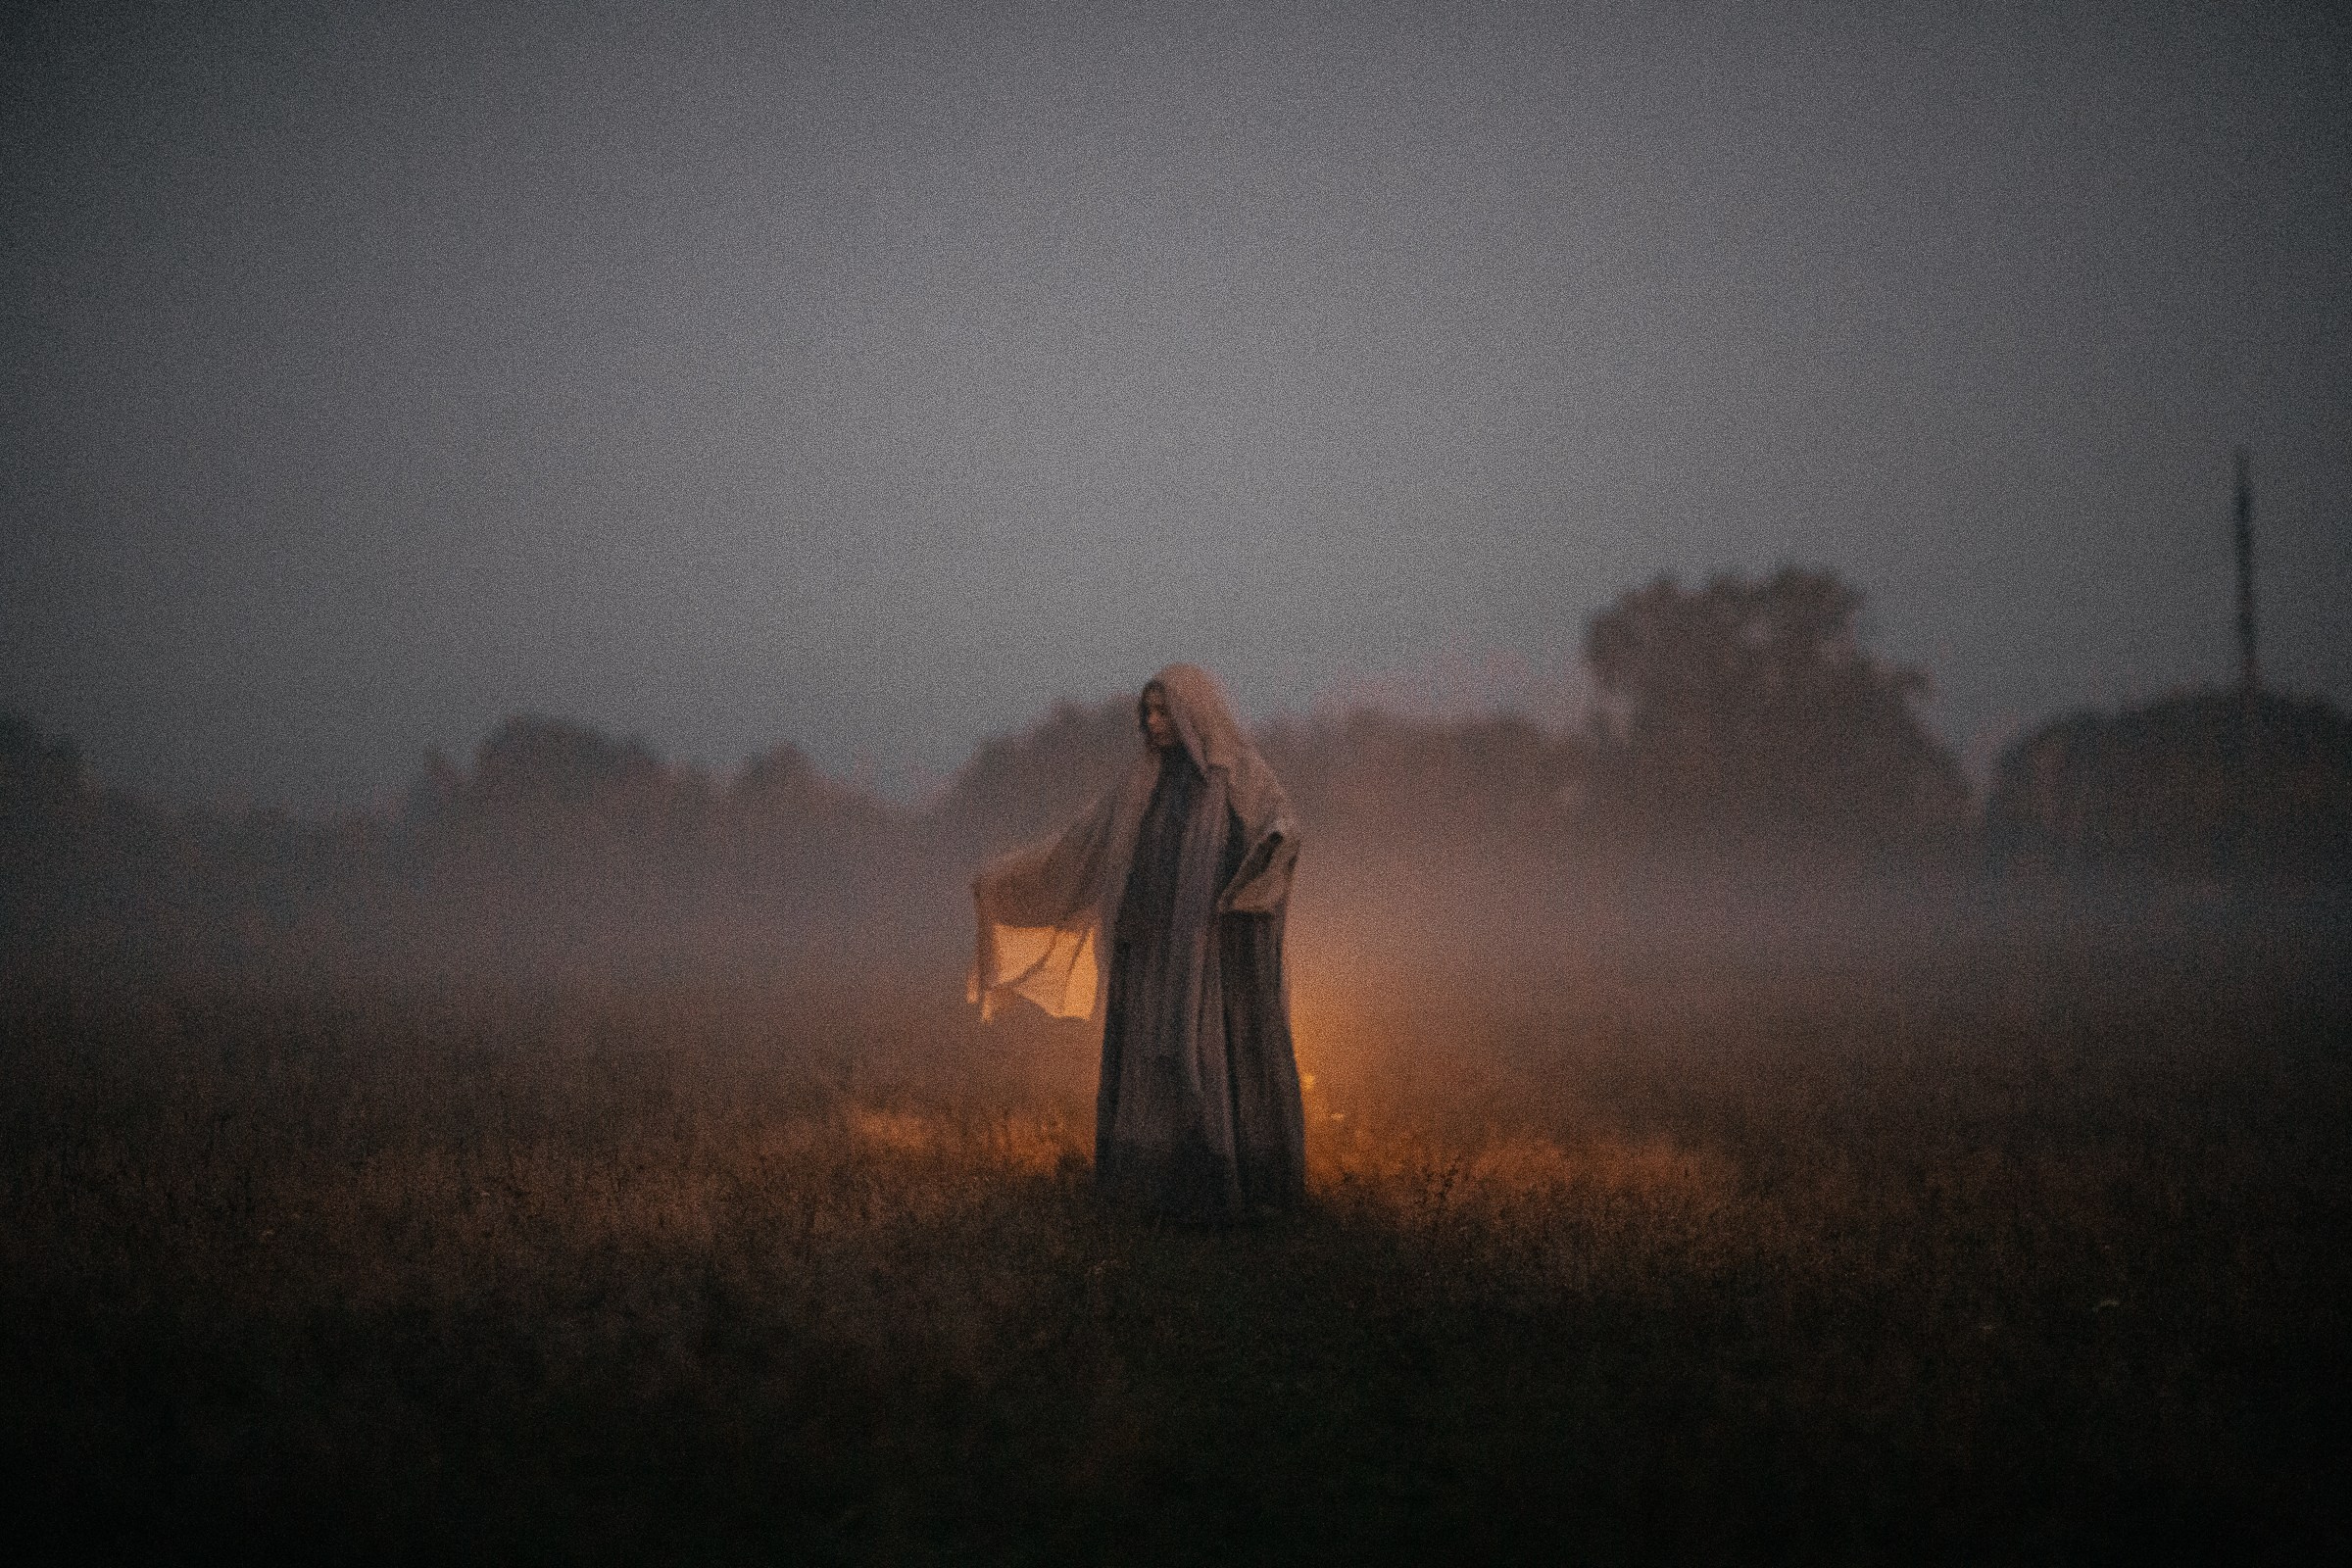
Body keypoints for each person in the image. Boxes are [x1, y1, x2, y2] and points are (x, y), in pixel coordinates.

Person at [969, 664, 1306, 1222]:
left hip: (1205, 959)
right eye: (1146, 713)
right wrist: (1003, 881)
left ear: (1193, 712)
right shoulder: (1138, 785)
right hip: (1144, 950)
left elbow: (1281, 826)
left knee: (1201, 1055)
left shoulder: (1239, 775)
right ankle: (1150, 1192)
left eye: (1163, 711)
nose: (1152, 724)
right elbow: (1077, 848)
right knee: (1149, 1061)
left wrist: (1264, 855)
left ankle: (1216, 1183)